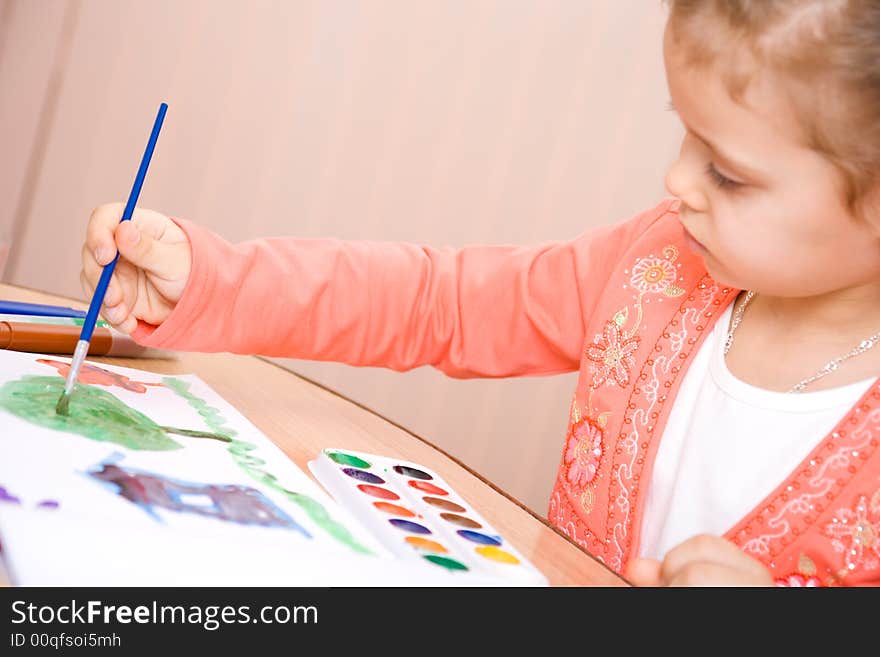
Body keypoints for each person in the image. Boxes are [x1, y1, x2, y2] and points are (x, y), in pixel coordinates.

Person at [80, 0, 880, 586]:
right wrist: (215, 279)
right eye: (684, 132)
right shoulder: (658, 263)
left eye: (728, 173)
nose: (675, 181)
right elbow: (441, 301)